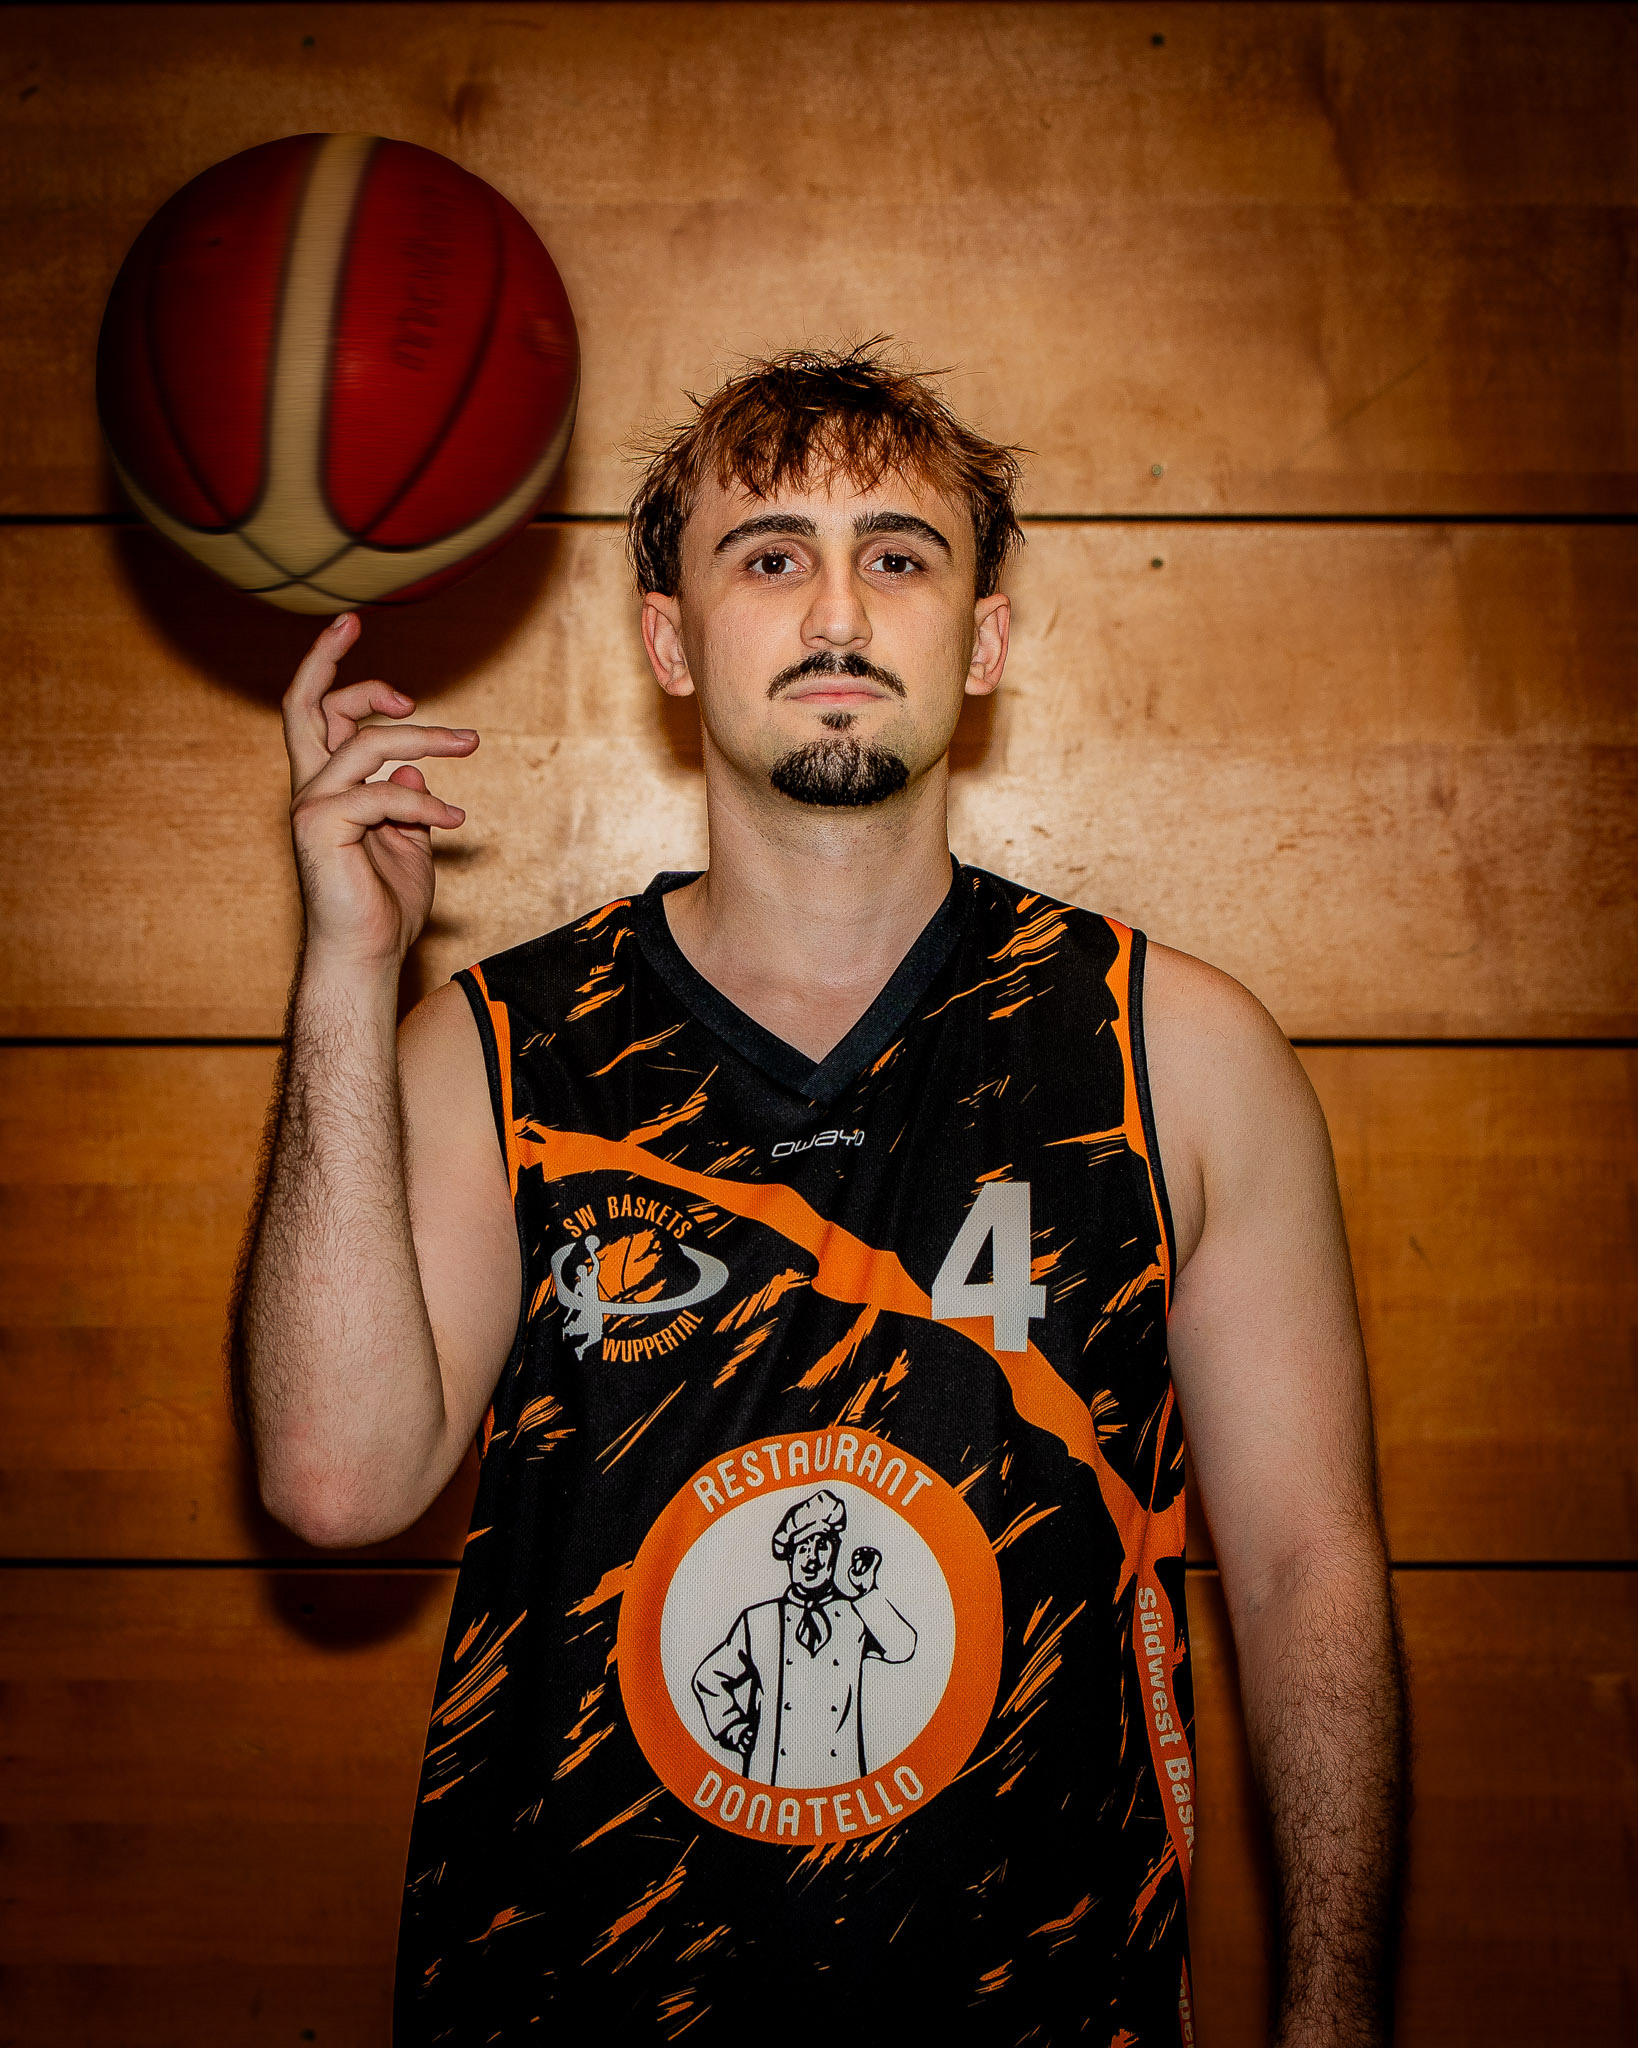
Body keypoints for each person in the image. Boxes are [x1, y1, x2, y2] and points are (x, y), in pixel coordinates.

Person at [234, 342, 1406, 2045]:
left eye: (898, 557)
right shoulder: (494, 1051)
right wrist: (347, 972)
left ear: (980, 643)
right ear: (671, 642)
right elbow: (336, 1486)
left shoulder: (1175, 1052)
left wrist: (1336, 2021)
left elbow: (1307, 1573)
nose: (838, 610)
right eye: (771, 554)